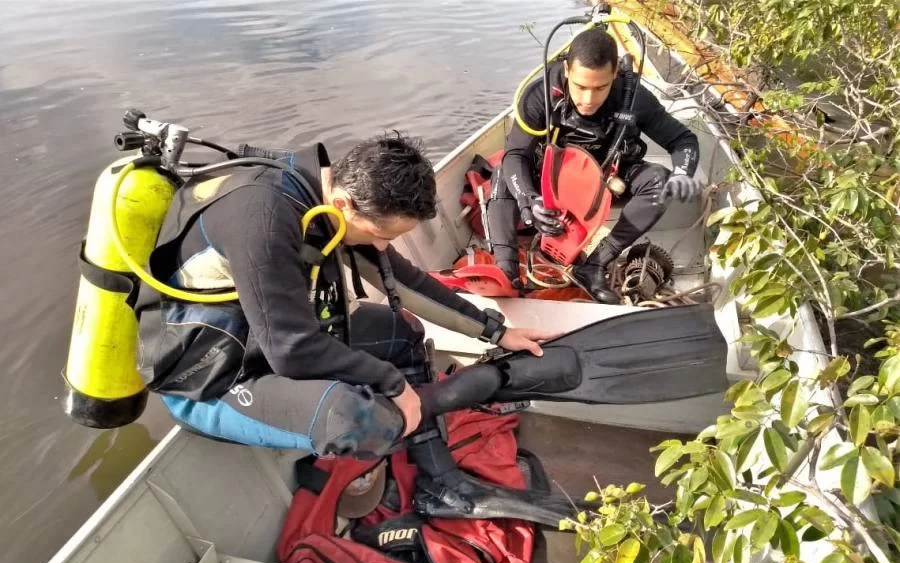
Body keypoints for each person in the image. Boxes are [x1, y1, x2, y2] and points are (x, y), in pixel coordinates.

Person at [136, 132, 557, 458]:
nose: (382, 247)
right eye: (381, 235)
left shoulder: (323, 199)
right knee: (351, 416)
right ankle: (404, 420)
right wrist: (392, 383)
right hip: (212, 376)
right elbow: (291, 351)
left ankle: (433, 469)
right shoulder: (263, 220)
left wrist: (496, 332)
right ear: (343, 204)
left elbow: (406, 281)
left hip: (265, 334)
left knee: (403, 333)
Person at [485, 26, 702, 303]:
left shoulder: (633, 97)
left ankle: (595, 264)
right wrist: (529, 201)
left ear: (614, 75)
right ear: (567, 70)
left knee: (660, 180)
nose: (588, 100)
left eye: (600, 88)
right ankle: (506, 270)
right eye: (580, 87)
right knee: (504, 172)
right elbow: (516, 153)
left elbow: (683, 140)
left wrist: (683, 173)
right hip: (550, 178)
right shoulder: (541, 94)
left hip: (608, 177)